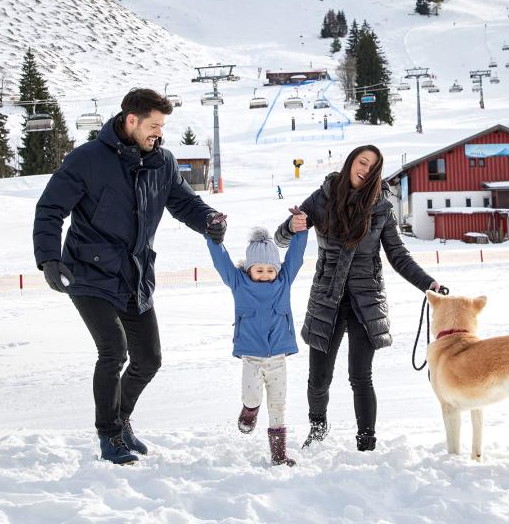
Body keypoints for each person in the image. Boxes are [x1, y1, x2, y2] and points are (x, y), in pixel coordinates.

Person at [33, 88, 226, 465]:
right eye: (153, 125)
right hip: (88, 271)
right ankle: (108, 435)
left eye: (162, 127)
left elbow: (184, 202)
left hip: (134, 274)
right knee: (113, 350)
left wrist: (208, 221)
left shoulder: (162, 162)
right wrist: (48, 259)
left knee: (148, 359)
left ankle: (121, 422)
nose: (159, 133)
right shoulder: (87, 159)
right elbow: (50, 208)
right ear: (131, 120)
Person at [274, 144, 443, 452]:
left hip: (366, 302)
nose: (364, 169)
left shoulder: (380, 207)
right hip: (327, 299)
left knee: (360, 375)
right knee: (319, 377)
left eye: (372, 167)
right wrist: (290, 226)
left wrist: (428, 284)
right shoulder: (323, 197)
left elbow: (399, 257)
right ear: (351, 162)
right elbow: (281, 238)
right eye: (361, 162)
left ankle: (366, 442)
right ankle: (318, 427)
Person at [206, 211, 309, 466]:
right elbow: (222, 262)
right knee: (252, 397)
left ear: (277, 270)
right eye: (259, 269)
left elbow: (295, 257)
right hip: (251, 358)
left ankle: (279, 455)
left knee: (278, 405)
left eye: (269, 270)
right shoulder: (239, 284)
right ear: (248, 268)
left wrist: (301, 230)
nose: (265, 274)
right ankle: (250, 411)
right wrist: (214, 238)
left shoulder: (283, 282)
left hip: (278, 358)